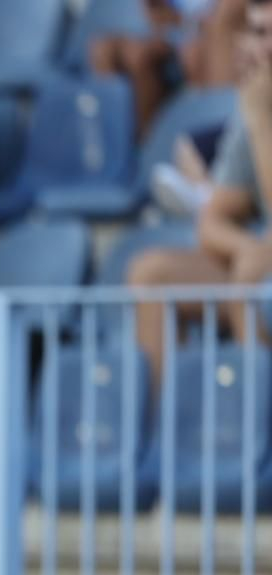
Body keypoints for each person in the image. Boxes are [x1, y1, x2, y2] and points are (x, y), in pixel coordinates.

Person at [129, 0, 272, 388]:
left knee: (249, 279)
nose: (266, 47)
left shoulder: (256, 110)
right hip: (265, 264)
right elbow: (212, 220)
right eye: (260, 33)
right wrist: (246, 247)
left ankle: (257, 427)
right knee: (152, 272)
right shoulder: (255, 105)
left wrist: (261, 122)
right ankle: (162, 437)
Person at [90, 0, 244, 135]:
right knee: (105, 51)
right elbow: (159, 17)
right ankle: (135, 149)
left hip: (207, 43)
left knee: (194, 53)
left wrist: (188, 24)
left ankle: (213, 125)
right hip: (177, 36)